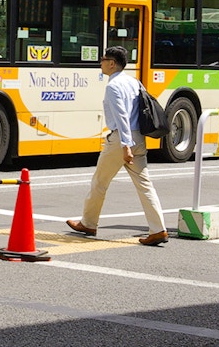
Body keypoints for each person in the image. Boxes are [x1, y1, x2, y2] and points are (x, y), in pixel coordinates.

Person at [66, 46, 168, 246]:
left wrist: (125, 145)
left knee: (100, 181)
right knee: (145, 184)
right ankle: (158, 229)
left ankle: (88, 223)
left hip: (121, 140)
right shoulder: (134, 82)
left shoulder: (113, 86)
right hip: (140, 139)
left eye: (103, 59)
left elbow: (122, 116)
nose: (101, 63)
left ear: (112, 63)